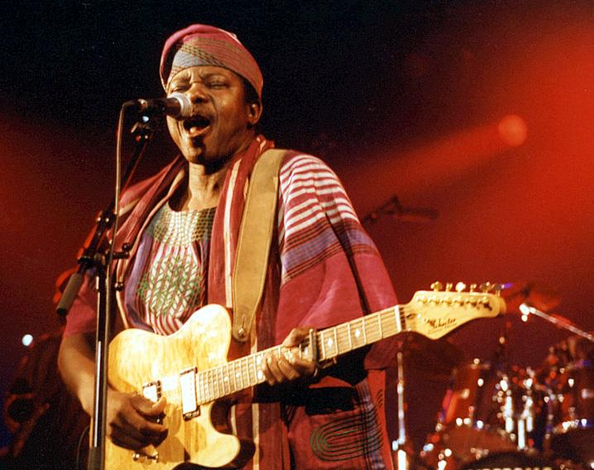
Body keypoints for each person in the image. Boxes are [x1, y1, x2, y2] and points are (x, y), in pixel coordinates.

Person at [58, 24, 398, 469]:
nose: (193, 95)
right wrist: (100, 401)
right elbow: (76, 339)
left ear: (252, 108)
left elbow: (345, 312)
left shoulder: (295, 179)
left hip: (266, 445)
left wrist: (307, 350)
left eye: (215, 84)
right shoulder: (132, 208)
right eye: (180, 86)